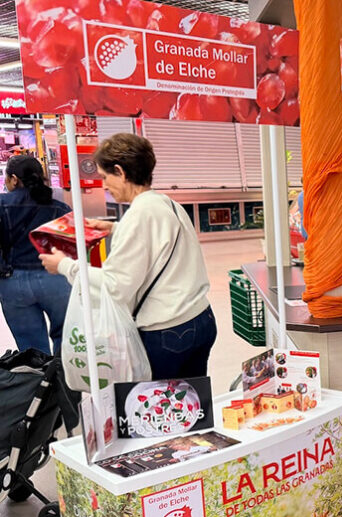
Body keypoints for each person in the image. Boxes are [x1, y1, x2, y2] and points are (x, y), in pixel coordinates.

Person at [40, 133, 216, 379]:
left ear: (121, 172)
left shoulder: (139, 215)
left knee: (160, 408)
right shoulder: (167, 203)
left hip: (168, 332)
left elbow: (116, 286)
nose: (104, 185)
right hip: (201, 318)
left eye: (104, 177)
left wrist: (65, 266)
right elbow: (159, 240)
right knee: (192, 404)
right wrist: (114, 228)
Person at [0, 155, 72, 355]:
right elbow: (70, 246)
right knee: (65, 337)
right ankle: (62, 381)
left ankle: (41, 383)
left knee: (31, 348)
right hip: (55, 279)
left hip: (13, 282)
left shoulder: (2, 204)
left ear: (14, 179)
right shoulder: (60, 208)